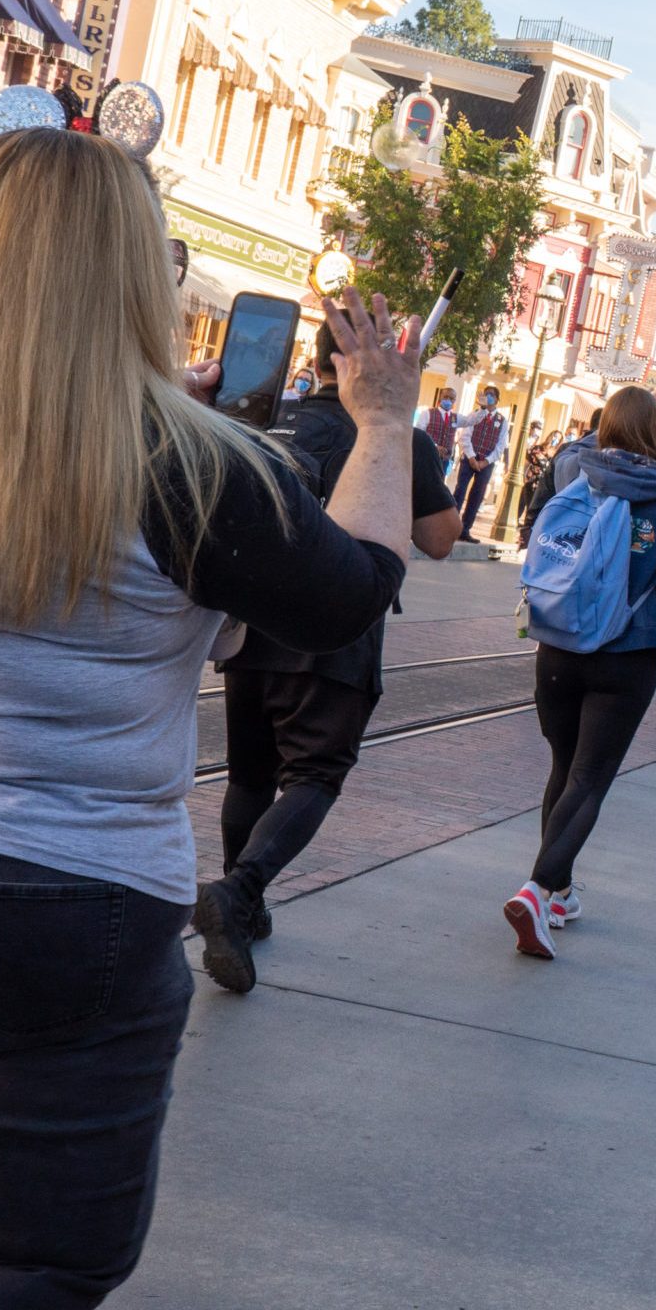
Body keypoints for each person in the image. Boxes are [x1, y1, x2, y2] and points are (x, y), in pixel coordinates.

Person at [0, 128, 423, 1307]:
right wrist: (384, 424)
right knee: (43, 1257)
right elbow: (350, 594)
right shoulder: (198, 466)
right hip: (81, 898)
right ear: (146, 273)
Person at [193, 322, 465, 995]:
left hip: (251, 621)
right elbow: (440, 538)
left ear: (311, 365)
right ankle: (239, 891)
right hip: (335, 632)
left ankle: (243, 907)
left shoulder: (267, 418)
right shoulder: (396, 435)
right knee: (316, 772)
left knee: (249, 772)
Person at [505, 387, 656, 956]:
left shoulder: (573, 465)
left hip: (558, 645)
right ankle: (538, 889)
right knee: (590, 778)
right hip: (627, 653)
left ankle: (561, 890)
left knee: (563, 767)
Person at [449, 383, 509, 542]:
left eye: (492, 394)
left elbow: (501, 445)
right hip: (469, 459)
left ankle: (465, 529)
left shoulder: (502, 421)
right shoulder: (475, 414)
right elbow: (465, 436)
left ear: (497, 399)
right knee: (460, 492)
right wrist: (471, 457)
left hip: (487, 464)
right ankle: (451, 527)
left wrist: (485, 462)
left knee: (477, 496)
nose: (488, 396)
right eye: (486, 393)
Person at [418, 385, 460, 484]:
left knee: (438, 485)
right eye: (445, 397)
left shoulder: (456, 418)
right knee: (422, 483)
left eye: (451, 398)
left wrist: (483, 408)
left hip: (444, 461)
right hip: (427, 457)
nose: (448, 400)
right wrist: (435, 446)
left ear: (454, 401)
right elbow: (419, 434)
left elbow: (471, 420)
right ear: (440, 397)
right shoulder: (427, 413)